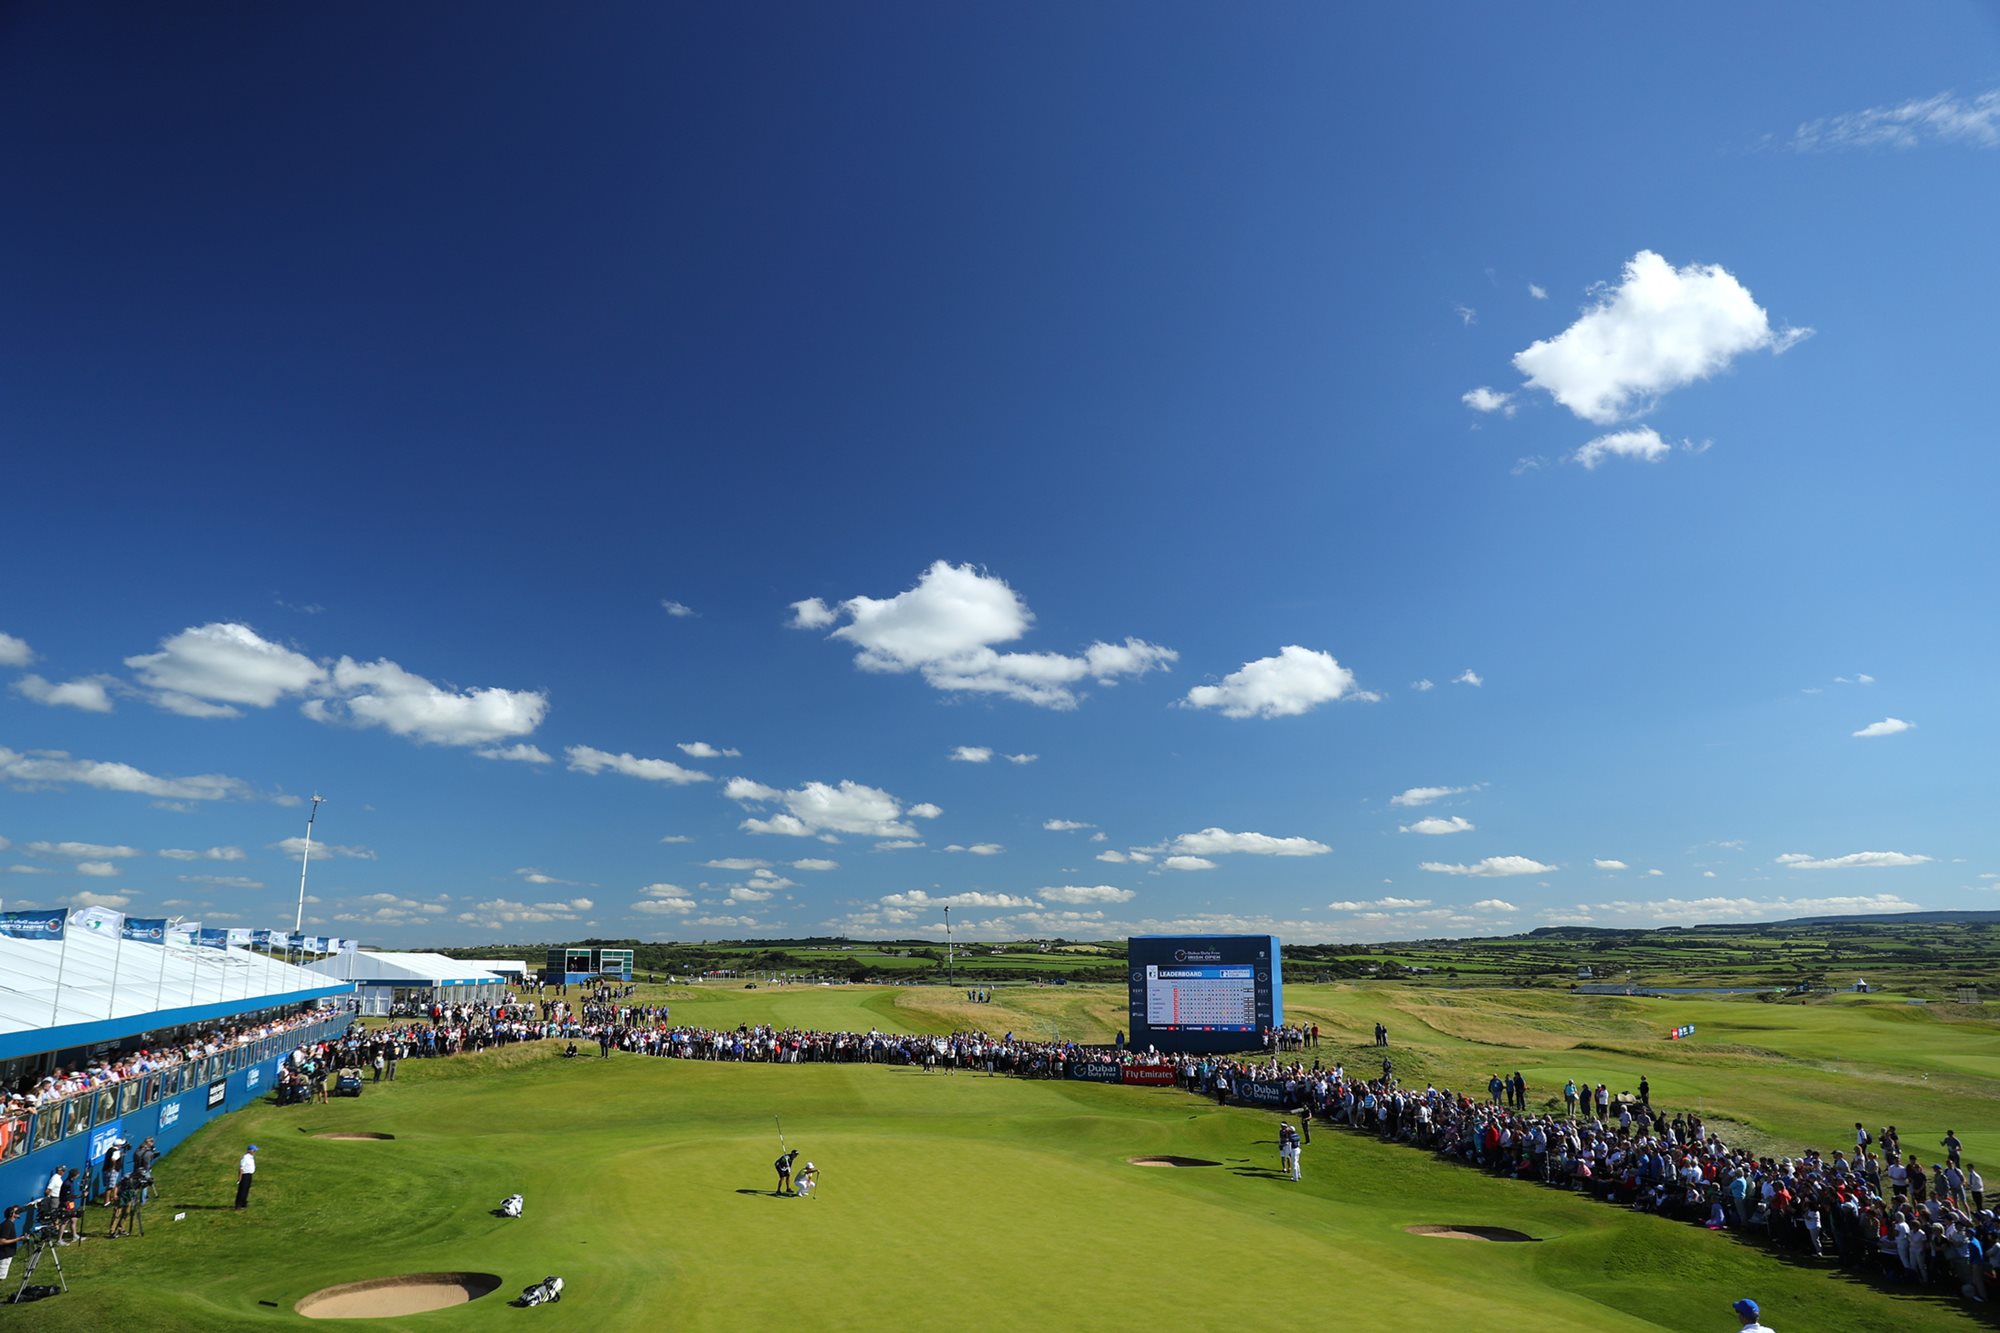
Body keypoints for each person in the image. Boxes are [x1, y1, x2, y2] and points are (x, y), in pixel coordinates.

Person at [0, 1205, 23, 1285]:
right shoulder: (8, 1224)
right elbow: (2, 1241)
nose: (19, 1212)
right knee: (1, 1277)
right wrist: (18, 1239)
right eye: (17, 1211)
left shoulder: (9, 1224)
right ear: (11, 1214)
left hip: (5, 1254)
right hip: (4, 1255)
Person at [235, 1144, 258, 1209]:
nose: (255, 1152)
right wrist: (240, 1178)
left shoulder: (251, 1157)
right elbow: (241, 1168)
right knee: (242, 1190)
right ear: (250, 1150)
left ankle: (243, 1203)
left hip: (249, 1175)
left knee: (246, 1190)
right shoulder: (245, 1157)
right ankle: (238, 1205)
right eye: (254, 1150)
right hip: (244, 1175)